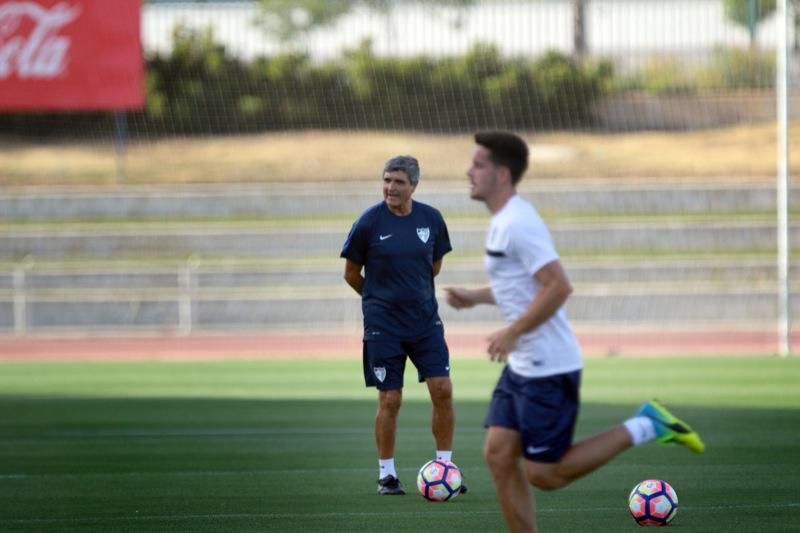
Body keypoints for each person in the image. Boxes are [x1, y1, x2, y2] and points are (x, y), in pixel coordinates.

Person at [445, 132, 704, 532]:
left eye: (478, 164)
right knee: (498, 454)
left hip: (548, 368)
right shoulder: (502, 223)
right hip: (523, 367)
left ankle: (648, 424)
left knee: (544, 474)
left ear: (502, 174)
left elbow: (559, 286)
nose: (468, 170)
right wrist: (474, 297)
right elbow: (521, 286)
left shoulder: (518, 223)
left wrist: (513, 331)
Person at [341, 155, 464, 496]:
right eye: (386, 181)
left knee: (443, 390)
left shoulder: (431, 219)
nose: (390, 188)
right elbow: (351, 274)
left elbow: (433, 266)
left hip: (425, 322)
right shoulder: (368, 222)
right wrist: (379, 299)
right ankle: (387, 475)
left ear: (414, 185)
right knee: (390, 398)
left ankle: (445, 467)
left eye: (398, 182)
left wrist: (411, 296)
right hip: (384, 326)